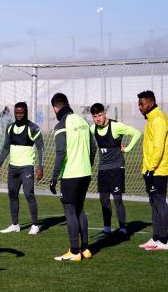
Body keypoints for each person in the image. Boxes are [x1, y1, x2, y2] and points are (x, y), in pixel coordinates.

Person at [48, 93, 96, 262]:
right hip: (85, 173)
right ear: (67, 103)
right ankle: (85, 249)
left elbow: (60, 152)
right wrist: (88, 164)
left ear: (55, 108)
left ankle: (74, 251)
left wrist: (54, 177)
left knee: (69, 210)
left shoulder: (61, 124)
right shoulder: (83, 121)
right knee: (80, 209)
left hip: (71, 175)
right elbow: (93, 146)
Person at [89, 102, 141, 238]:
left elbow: (137, 133)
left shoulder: (116, 126)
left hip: (116, 167)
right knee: (104, 199)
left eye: (100, 115)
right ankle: (106, 228)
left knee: (117, 199)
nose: (97, 118)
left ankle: (123, 228)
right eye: (95, 116)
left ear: (104, 113)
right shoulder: (92, 128)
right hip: (102, 168)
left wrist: (127, 149)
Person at [0, 102, 44, 235]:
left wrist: (40, 166)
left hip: (26, 168)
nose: (19, 115)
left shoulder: (32, 128)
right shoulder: (9, 127)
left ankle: (35, 225)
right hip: (13, 168)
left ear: (26, 112)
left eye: (21, 112)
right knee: (12, 194)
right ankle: (15, 225)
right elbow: (6, 147)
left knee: (29, 194)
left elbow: (40, 147)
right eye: (17, 112)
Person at [137, 90, 168, 251]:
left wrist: (151, 169)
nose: (140, 107)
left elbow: (158, 147)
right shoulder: (150, 119)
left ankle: (165, 239)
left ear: (151, 102)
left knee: (160, 202)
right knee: (154, 202)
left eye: (142, 104)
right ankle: (156, 237)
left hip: (158, 170)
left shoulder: (158, 119)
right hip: (150, 169)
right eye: (139, 105)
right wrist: (146, 169)